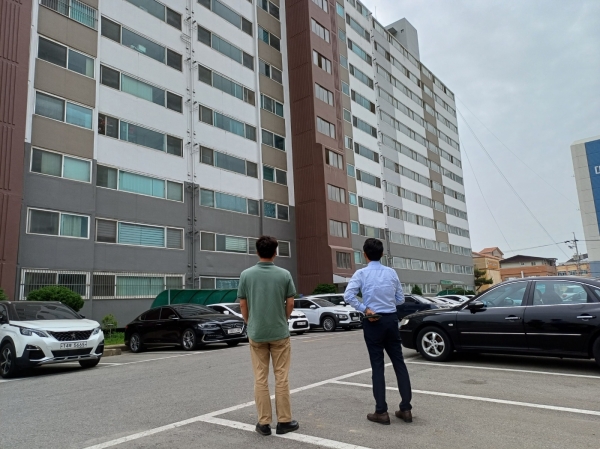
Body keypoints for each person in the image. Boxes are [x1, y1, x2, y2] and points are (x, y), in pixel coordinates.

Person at [344, 238, 413, 425]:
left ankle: (381, 411)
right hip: (391, 319)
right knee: (399, 362)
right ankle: (406, 409)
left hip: (373, 320)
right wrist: (388, 302)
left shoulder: (361, 273)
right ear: (382, 254)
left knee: (377, 365)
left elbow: (348, 295)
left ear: (365, 255)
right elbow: (400, 299)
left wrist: (365, 308)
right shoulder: (391, 272)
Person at [238, 235, 299, 436]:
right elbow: (290, 303)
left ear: (257, 252)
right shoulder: (284, 274)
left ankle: (263, 423)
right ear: (275, 252)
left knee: (260, 377)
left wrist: (250, 322)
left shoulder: (246, 275)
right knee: (281, 377)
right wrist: (284, 318)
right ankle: (284, 421)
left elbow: (243, 304)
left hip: (257, 333)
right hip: (279, 332)